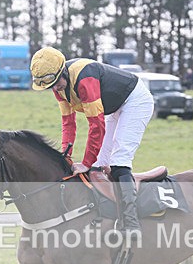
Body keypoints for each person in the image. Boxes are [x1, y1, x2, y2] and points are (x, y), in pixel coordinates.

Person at [30, 47, 154, 241]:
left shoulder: (84, 80)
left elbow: (96, 127)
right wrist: (66, 155)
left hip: (134, 101)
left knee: (119, 162)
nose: (55, 89)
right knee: (98, 168)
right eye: (50, 87)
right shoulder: (58, 86)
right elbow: (68, 123)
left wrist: (86, 162)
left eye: (56, 84)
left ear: (63, 71)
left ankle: (131, 223)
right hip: (112, 107)